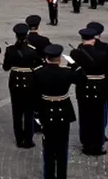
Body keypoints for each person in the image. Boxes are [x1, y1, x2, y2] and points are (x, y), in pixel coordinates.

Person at [32, 44, 78, 179]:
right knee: (62, 146)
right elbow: (82, 78)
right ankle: (62, 175)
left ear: (46, 58)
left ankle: (49, 175)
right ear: (60, 59)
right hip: (64, 111)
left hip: (46, 111)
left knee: (48, 147)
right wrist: (74, 64)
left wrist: (36, 114)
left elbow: (35, 95)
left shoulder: (39, 72)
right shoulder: (67, 72)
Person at [71, 27, 108, 156]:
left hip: (83, 87)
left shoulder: (75, 53)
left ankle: (86, 143)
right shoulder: (102, 53)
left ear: (82, 39)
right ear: (94, 39)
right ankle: (97, 145)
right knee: (98, 117)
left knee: (84, 116)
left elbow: (72, 71)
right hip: (99, 87)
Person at [3, 23, 39, 148]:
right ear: (27, 35)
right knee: (29, 111)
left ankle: (19, 139)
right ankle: (28, 139)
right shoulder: (32, 50)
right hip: (29, 81)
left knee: (16, 111)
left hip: (15, 81)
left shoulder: (10, 50)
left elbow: (5, 67)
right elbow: (38, 66)